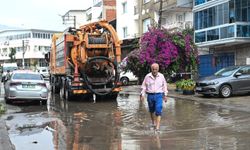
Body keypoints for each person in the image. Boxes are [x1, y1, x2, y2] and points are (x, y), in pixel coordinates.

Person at [140, 63, 168, 132]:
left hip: (159, 95)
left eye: (156, 69)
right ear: (151, 69)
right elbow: (144, 86)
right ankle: (153, 123)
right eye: (153, 69)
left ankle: (157, 127)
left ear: (158, 69)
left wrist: (165, 95)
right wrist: (142, 95)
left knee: (158, 110)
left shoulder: (161, 76)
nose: (154, 71)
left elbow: (164, 86)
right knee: (151, 110)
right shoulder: (147, 76)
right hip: (150, 95)